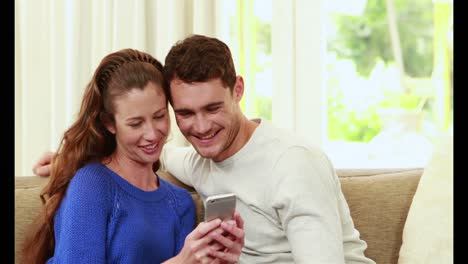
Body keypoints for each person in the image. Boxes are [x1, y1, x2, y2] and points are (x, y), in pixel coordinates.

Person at [33, 35, 375, 263]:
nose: (200, 127)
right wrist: (76, 157)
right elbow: (153, 152)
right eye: (184, 113)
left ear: (237, 89)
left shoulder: (293, 163)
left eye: (212, 109)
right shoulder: (198, 161)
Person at [22, 48, 245, 264]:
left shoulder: (180, 203)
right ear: (109, 123)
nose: (152, 134)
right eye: (136, 123)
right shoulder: (92, 185)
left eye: (159, 116)